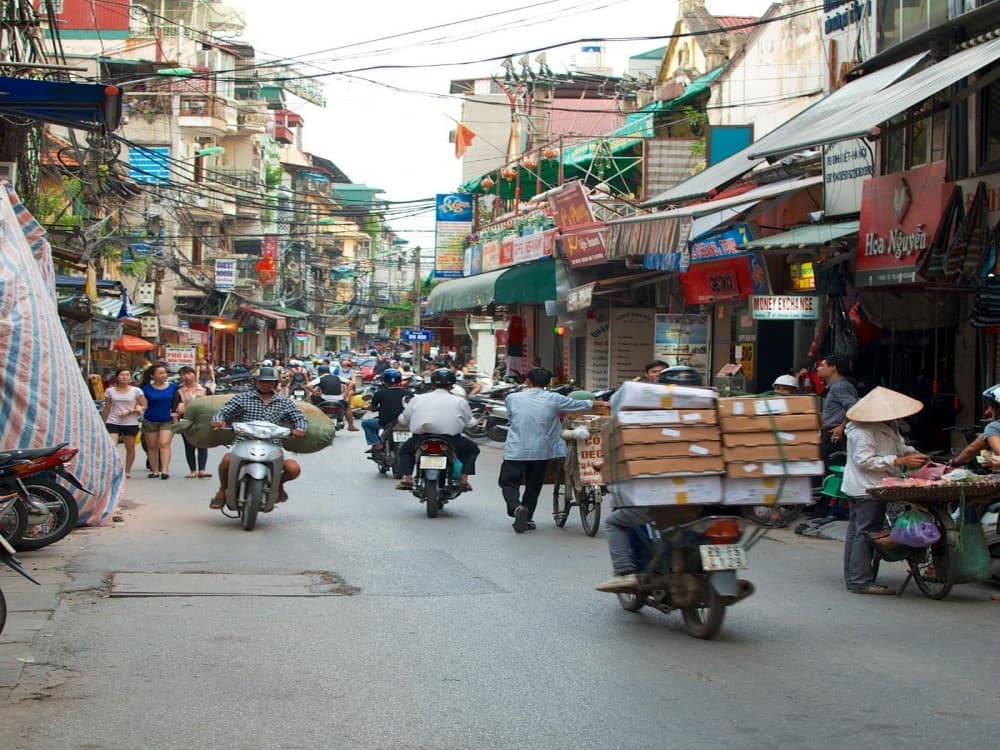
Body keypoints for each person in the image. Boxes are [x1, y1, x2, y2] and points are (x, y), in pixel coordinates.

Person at [596, 366, 706, 592]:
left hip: (662, 499)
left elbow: (629, 451)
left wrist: (608, 467)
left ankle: (625, 572)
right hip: (710, 501)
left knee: (614, 522)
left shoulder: (648, 419)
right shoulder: (711, 414)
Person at [841, 386, 929, 595]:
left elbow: (899, 446)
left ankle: (854, 576)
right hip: (866, 487)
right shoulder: (861, 431)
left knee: (857, 532)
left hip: (872, 485)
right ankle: (860, 580)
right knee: (865, 532)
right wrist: (899, 461)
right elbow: (864, 461)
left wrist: (913, 455)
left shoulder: (889, 426)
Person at [499, 367, 594, 533]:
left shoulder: (512, 398)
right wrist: (598, 402)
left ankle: (516, 508)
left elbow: (513, 417)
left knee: (508, 482)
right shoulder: (554, 398)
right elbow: (580, 404)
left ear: (528, 381)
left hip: (516, 449)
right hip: (540, 451)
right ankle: (527, 518)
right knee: (534, 485)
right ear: (548, 383)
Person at [209, 367, 308, 509]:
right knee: (227, 460)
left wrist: (300, 429)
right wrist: (219, 420)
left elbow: (298, 418)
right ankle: (222, 490)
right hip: (244, 441)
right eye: (262, 381)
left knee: (293, 469)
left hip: (273, 444)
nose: (265, 384)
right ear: (255, 382)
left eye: (269, 382)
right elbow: (224, 412)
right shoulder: (242, 398)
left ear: (275, 384)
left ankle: (278, 484)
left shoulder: (284, 402)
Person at [394, 369, 479, 491]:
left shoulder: (418, 399)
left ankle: (408, 478)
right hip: (451, 440)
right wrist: (476, 423)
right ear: (452, 385)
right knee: (472, 449)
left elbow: (403, 420)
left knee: (405, 451)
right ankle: (464, 479)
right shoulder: (460, 401)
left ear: (432, 383)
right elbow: (470, 424)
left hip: (421, 438)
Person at [102, 367, 147, 479]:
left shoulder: (136, 391)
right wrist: (102, 422)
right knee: (112, 446)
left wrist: (132, 410)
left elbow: (144, 405)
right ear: (117, 377)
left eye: (127, 375)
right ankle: (114, 468)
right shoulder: (110, 391)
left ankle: (127, 470)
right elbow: (107, 407)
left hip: (130, 422)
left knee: (130, 447)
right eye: (122, 375)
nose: (125, 377)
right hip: (113, 420)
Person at [140, 364, 179, 479]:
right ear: (152, 376)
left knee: (164, 443)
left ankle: (165, 470)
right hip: (150, 419)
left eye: (164, 373)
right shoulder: (145, 389)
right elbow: (142, 403)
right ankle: (155, 470)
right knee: (151, 446)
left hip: (167, 420)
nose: (164, 375)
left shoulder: (173, 387)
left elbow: (178, 401)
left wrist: (176, 413)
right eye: (160, 373)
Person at [174, 366, 211, 478]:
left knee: (202, 444)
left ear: (194, 375)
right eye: (183, 374)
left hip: (202, 419)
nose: (186, 377)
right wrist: (176, 422)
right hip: (186, 420)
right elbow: (175, 407)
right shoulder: (179, 391)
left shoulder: (205, 390)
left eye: (189, 374)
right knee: (189, 444)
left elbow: (211, 404)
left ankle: (202, 469)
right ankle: (193, 470)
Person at [362, 368, 411, 451]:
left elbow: (373, 407)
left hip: (385, 422)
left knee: (366, 423)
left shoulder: (380, 393)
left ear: (384, 381)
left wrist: (366, 407)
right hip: (405, 423)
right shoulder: (408, 393)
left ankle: (377, 444)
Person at [309, 365, 359, 431]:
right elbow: (351, 383)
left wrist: (314, 392)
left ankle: (312, 421)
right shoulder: (338, 377)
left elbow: (308, 385)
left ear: (319, 372)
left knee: (311, 402)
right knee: (347, 408)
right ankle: (351, 426)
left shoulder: (320, 378)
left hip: (324, 399)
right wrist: (345, 393)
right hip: (339, 399)